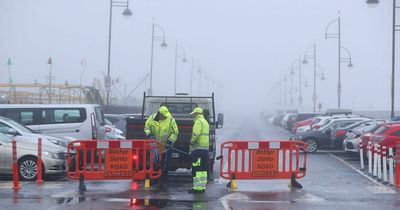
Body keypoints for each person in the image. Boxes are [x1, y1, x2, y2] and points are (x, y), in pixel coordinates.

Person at [144, 106, 179, 185]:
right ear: (159, 114)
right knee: (153, 163)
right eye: (163, 115)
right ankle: (153, 180)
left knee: (165, 165)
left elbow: (175, 132)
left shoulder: (171, 120)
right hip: (154, 147)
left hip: (165, 147)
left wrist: (170, 141)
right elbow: (146, 128)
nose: (165, 117)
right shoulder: (151, 118)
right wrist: (149, 135)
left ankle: (164, 180)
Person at [188, 107, 210, 194]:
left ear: (197, 114)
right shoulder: (205, 122)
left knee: (196, 169)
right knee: (203, 169)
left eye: (193, 114)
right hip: (205, 149)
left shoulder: (198, 122)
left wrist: (191, 142)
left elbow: (195, 134)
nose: (193, 115)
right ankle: (202, 187)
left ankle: (196, 188)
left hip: (197, 149)